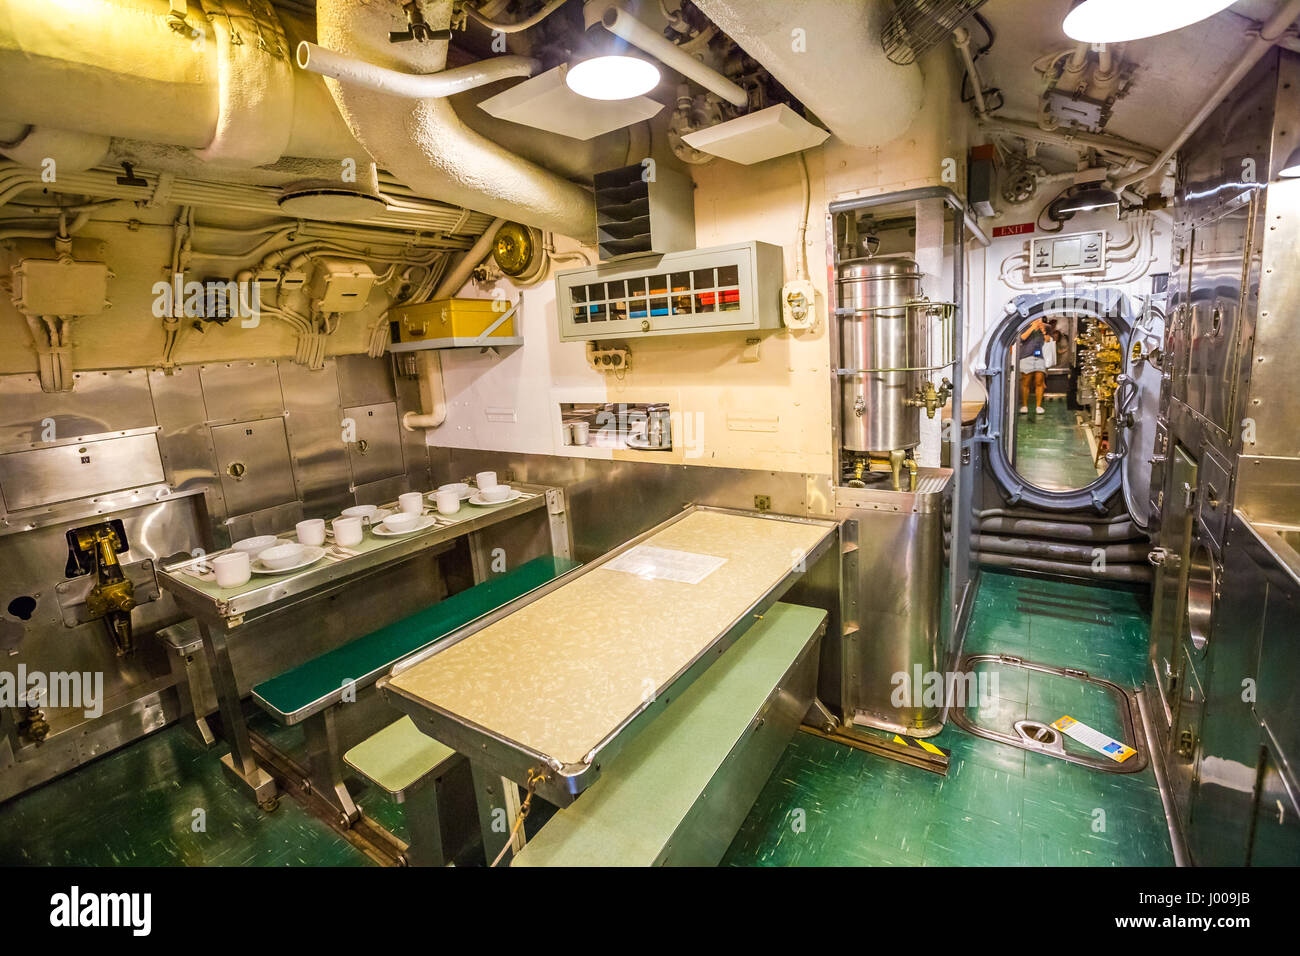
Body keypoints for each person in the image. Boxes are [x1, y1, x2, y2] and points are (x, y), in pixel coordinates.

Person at [1018, 317, 1048, 414]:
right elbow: (1022, 338)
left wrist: (1043, 331)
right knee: (1026, 382)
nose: (1038, 320)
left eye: (1040, 318)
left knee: (1039, 381)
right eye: (1036, 318)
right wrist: (1032, 327)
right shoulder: (1024, 326)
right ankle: (1024, 405)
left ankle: (1038, 406)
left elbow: (1048, 340)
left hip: (1039, 357)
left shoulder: (1045, 327)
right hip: (1026, 356)